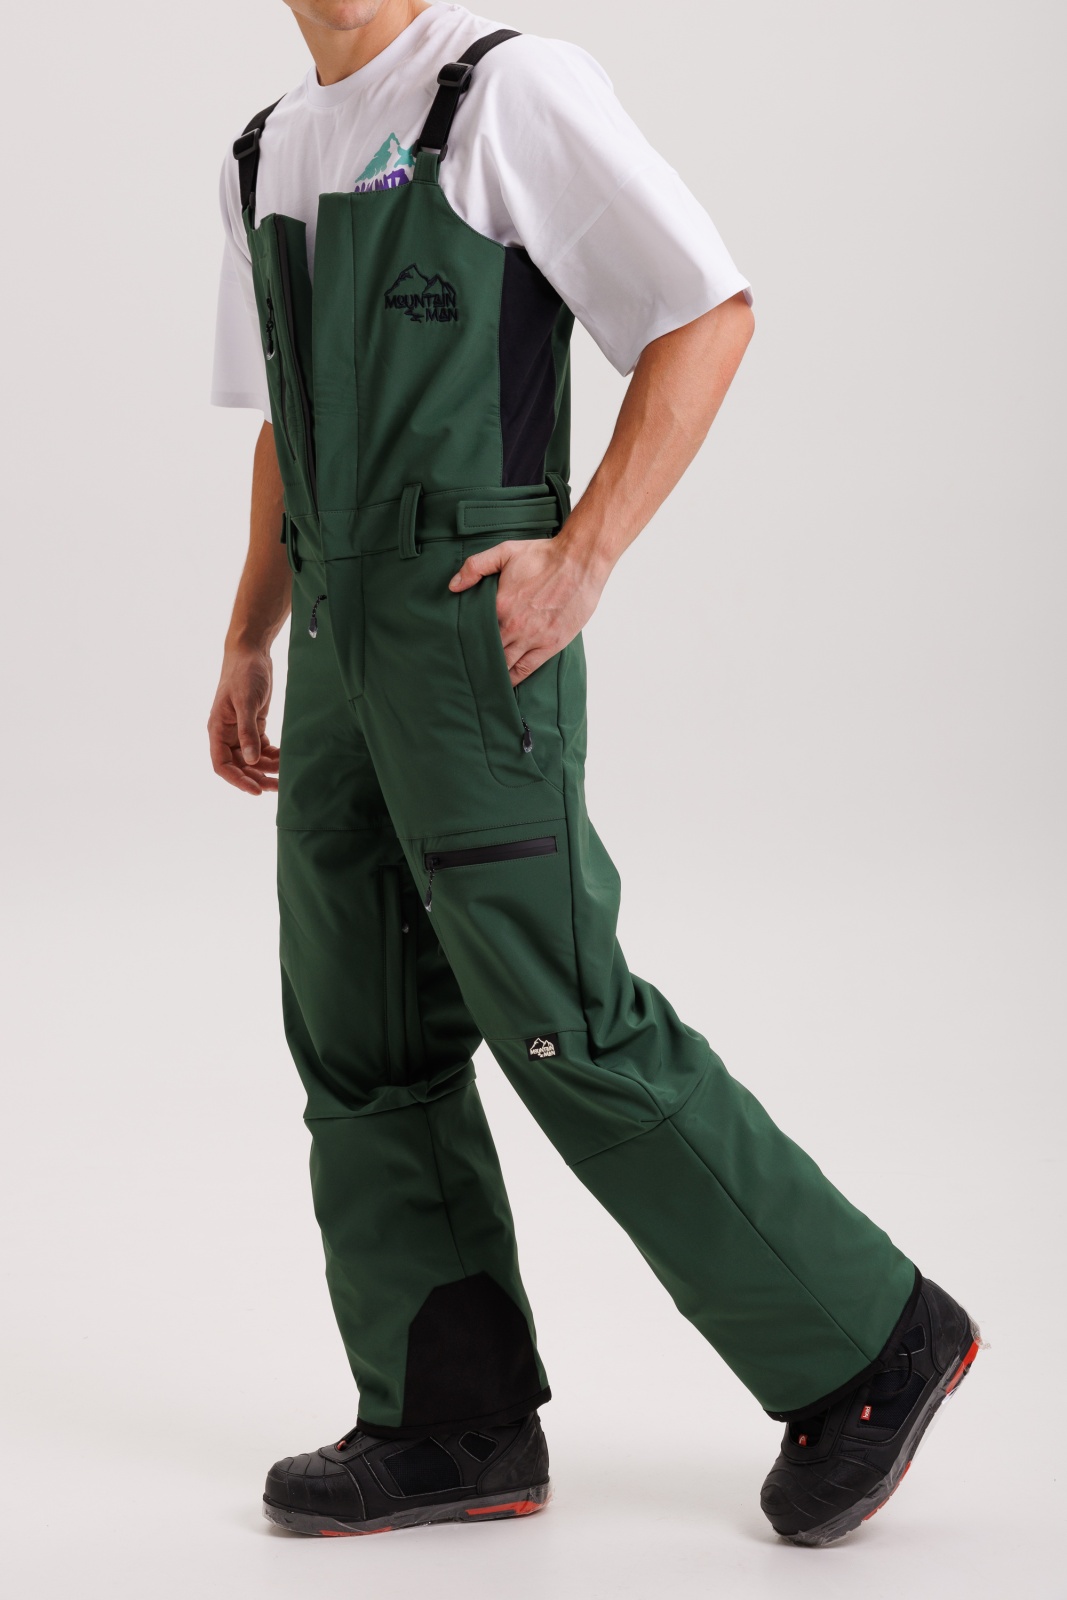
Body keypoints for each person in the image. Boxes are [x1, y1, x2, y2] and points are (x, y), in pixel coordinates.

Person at [207, 0, 978, 1546]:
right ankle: (451, 1420)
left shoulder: (503, 93)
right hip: (343, 639)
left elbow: (707, 312)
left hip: (467, 635)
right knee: (358, 1033)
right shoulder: (266, 151)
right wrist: (249, 632)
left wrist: (586, 553)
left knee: (563, 1015)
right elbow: (291, 423)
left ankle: (869, 1339)